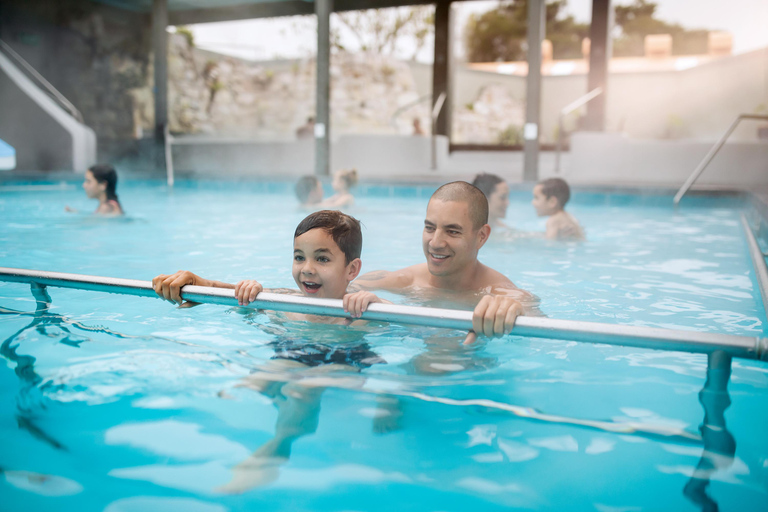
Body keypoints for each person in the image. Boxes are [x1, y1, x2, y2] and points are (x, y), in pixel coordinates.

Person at [153, 210, 385, 492]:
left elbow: (416, 320)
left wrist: (375, 302)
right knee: (255, 380)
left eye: (322, 259)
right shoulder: (287, 301)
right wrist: (227, 287)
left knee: (304, 389)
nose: (307, 268)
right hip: (294, 353)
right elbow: (232, 295)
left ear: (352, 269)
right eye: (299, 257)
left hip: (346, 358)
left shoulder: (361, 309)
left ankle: (278, 447)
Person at [351, 181, 534, 345]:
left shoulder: (504, 295)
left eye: (452, 231)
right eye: (430, 228)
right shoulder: (405, 280)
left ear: (481, 236)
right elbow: (340, 289)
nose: (435, 243)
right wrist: (374, 304)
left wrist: (513, 314)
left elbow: (539, 336)